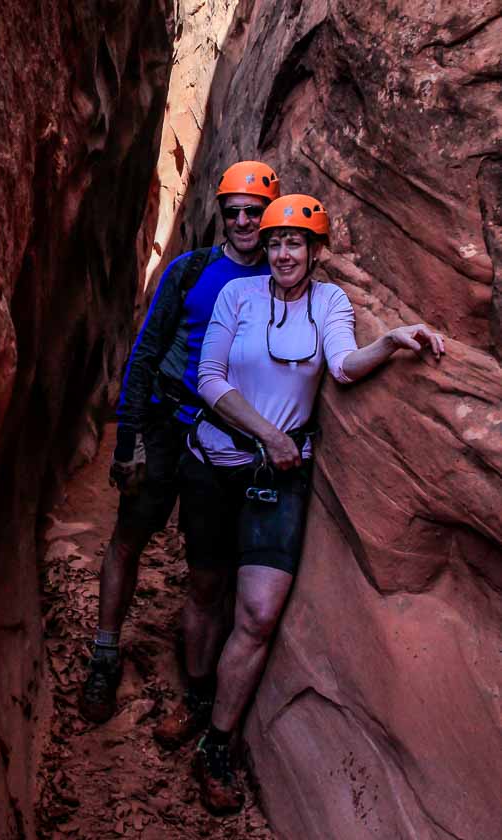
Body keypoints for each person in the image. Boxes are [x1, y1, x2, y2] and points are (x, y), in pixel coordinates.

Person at [167, 194, 445, 814]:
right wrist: (268, 433)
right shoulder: (238, 298)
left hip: (278, 479)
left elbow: (344, 365)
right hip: (218, 462)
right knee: (205, 590)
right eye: (274, 242)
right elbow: (208, 377)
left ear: (316, 252)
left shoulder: (329, 303)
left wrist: (393, 341)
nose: (283, 253)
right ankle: (195, 697)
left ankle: (217, 741)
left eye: (296, 243)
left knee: (259, 614)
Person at [79, 162, 281, 724]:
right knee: (130, 536)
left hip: (223, 438)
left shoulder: (280, 282)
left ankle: (197, 683)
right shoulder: (192, 271)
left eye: (254, 210)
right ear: (222, 216)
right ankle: (105, 653)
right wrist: (127, 439)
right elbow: (146, 350)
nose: (243, 220)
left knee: (208, 568)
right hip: (167, 423)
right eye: (234, 211)